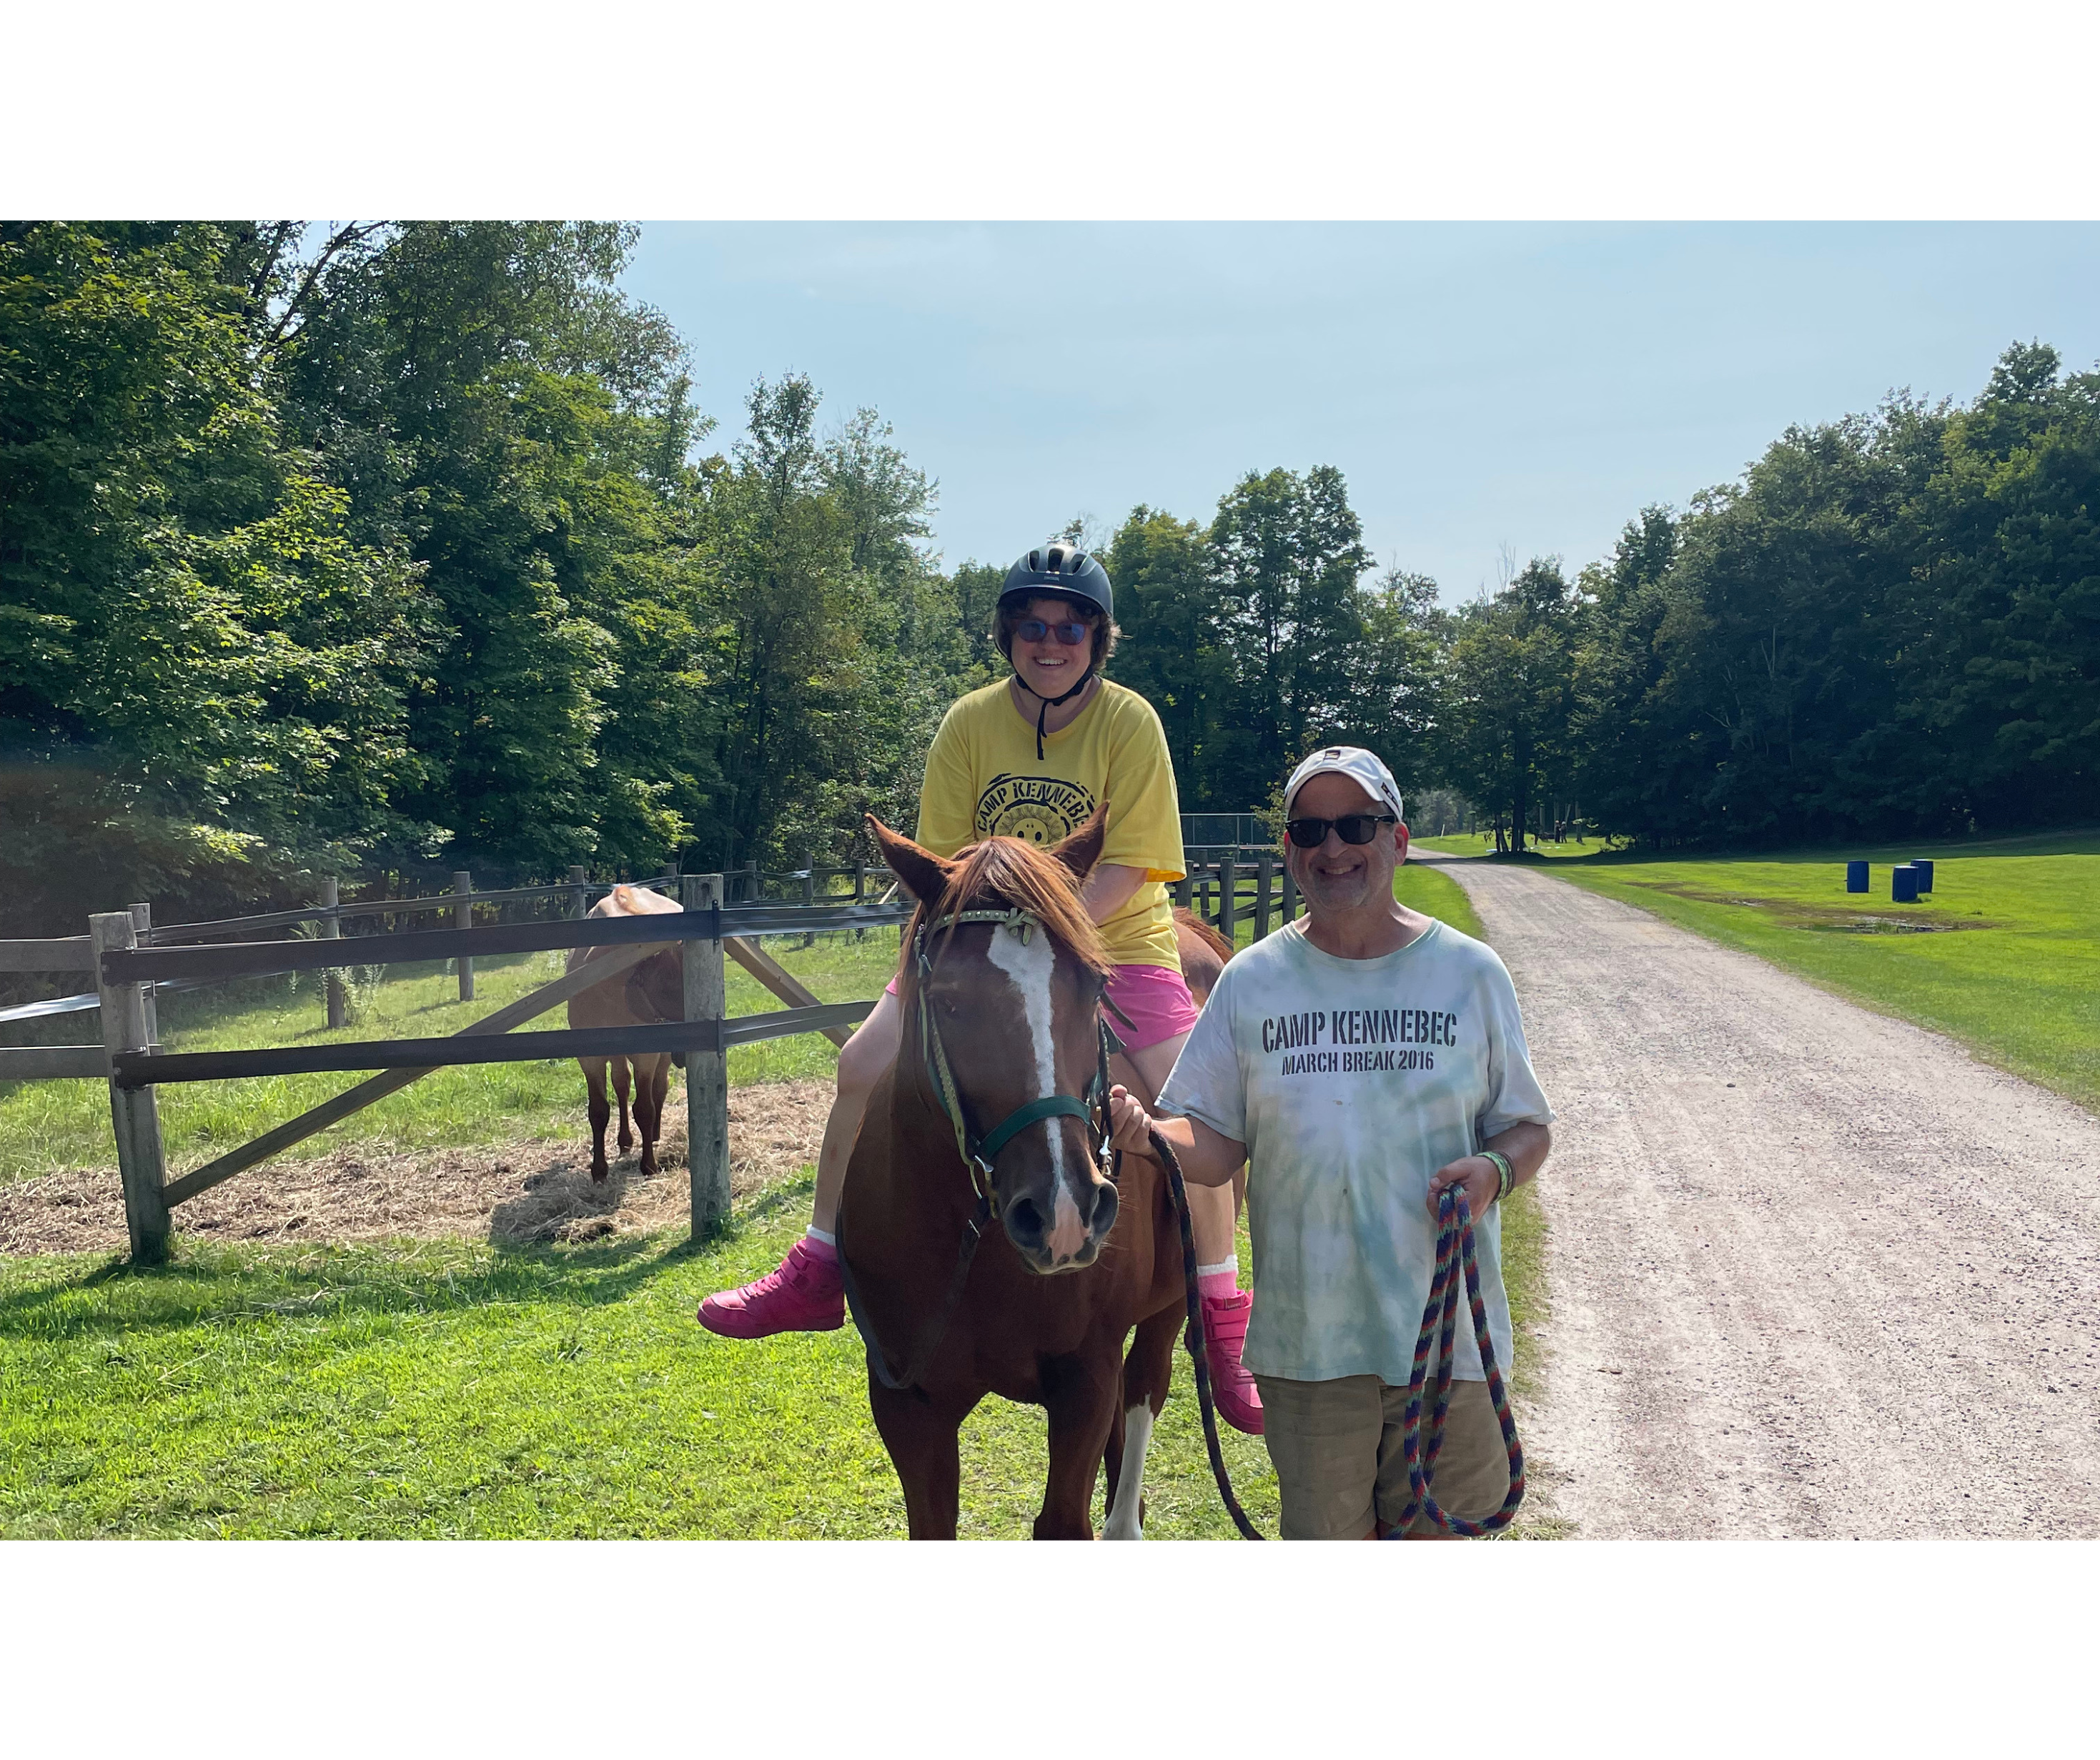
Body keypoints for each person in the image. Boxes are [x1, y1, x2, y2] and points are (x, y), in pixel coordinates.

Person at [699, 543, 1266, 1432]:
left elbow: (1129, 863)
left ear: (1096, 638)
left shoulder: (1130, 722)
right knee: (858, 1065)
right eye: (1033, 626)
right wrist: (993, 942)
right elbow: (946, 861)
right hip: (972, 947)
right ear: (1009, 635)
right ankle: (816, 1264)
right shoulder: (968, 723)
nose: (1052, 642)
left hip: (1114, 946)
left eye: (1071, 626)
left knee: (1197, 1103)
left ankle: (1223, 1315)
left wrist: (1048, 931)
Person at [1109, 745, 1555, 1537]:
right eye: (1309, 831)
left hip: (1447, 1343)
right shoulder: (1252, 982)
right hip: (1311, 1350)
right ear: (1288, 850)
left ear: (1398, 839)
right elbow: (1214, 1145)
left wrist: (1493, 1170)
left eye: (1356, 824)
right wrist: (1148, 1138)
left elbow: (1526, 1127)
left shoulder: (1470, 974)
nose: (1333, 848)